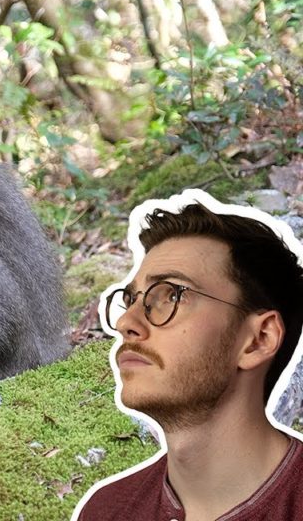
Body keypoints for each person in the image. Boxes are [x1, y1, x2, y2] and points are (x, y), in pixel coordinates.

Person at [74, 190, 303, 521]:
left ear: (258, 340)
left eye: (171, 295)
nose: (125, 323)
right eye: (130, 299)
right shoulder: (106, 510)